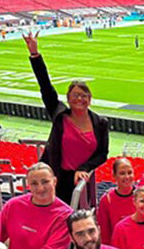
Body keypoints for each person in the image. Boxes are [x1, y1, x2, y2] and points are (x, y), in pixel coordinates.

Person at [23, 31, 109, 203]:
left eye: (84, 95)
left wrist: (84, 168)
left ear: (90, 99)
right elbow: (45, 86)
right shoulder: (60, 115)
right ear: (68, 98)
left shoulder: (100, 123)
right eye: (75, 95)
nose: (80, 99)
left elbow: (102, 154)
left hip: (79, 179)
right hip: (54, 176)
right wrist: (34, 54)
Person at [96, 157, 136, 244]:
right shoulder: (107, 200)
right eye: (122, 173)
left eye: (130, 173)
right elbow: (104, 234)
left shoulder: (141, 196)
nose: (127, 177)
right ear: (114, 176)